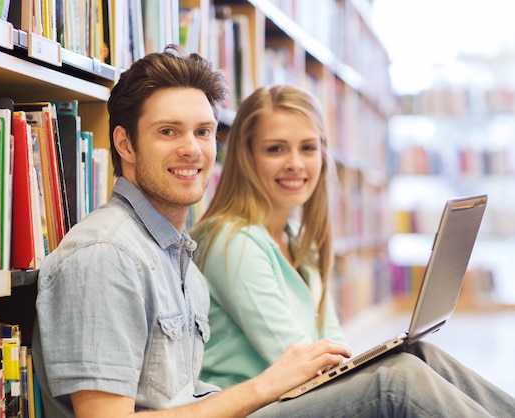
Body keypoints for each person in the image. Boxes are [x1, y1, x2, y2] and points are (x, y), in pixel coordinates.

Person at [30, 44, 513, 417]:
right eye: (168, 131)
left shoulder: (174, 255)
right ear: (125, 144)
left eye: (202, 132)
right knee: (399, 381)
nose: (193, 149)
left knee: (417, 356)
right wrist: (266, 386)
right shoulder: (105, 255)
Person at [190, 84, 515, 416]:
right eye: (275, 149)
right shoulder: (231, 241)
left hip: (296, 397)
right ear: (246, 157)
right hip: (255, 408)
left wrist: (368, 361)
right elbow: (299, 362)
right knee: (398, 379)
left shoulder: (297, 239)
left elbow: (333, 346)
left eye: (308, 148)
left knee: (419, 353)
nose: (295, 163)